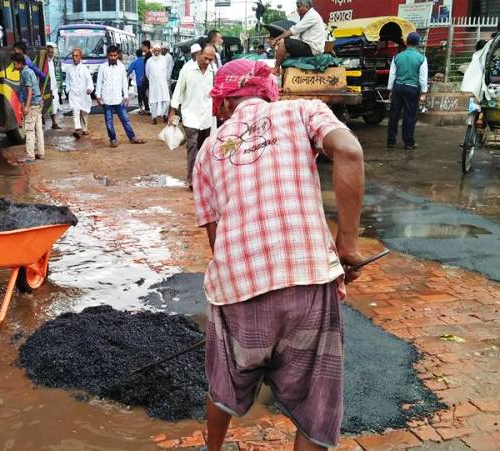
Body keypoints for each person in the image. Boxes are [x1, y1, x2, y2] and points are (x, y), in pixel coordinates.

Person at [192, 58, 365, 451]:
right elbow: (350, 152)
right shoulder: (303, 110)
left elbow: (216, 240)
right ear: (269, 93)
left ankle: (213, 449)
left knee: (223, 384)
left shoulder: (207, 151)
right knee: (314, 401)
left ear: (222, 105)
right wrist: (347, 245)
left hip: (238, 290)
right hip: (308, 280)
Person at [168, 44, 216, 189]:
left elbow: (216, 92)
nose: (207, 62)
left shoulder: (213, 71)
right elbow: (178, 91)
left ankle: (202, 178)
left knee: (204, 150)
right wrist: (172, 111)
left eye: (210, 59)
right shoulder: (187, 70)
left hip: (207, 117)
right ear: (199, 54)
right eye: (205, 58)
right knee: (193, 148)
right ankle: (192, 179)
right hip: (190, 116)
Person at [95, 45, 146, 148]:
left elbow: (124, 82)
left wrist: (126, 96)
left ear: (117, 55)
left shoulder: (121, 66)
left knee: (125, 120)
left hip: (118, 99)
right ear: (107, 56)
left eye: (115, 55)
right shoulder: (102, 67)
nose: (113, 57)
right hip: (106, 99)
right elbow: (99, 82)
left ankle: (132, 138)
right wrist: (98, 95)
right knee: (109, 121)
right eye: (111, 56)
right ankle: (113, 139)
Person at [387, 31, 428, 151]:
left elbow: (392, 75)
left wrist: (390, 90)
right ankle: (409, 143)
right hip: (412, 89)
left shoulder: (397, 57)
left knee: (394, 115)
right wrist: (424, 92)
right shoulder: (421, 58)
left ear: (406, 42)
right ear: (418, 44)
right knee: (409, 116)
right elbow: (422, 77)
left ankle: (391, 141)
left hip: (398, 87)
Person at [271, 0, 326, 75]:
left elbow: (293, 31)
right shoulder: (307, 16)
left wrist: (276, 39)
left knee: (283, 42)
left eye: (299, 7)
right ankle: (285, 73)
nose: (297, 9)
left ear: (306, 7)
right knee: (284, 48)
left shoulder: (311, 16)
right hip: (309, 46)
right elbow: (296, 35)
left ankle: (276, 68)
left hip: (313, 48)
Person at [14, 53, 44, 163]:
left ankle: (30, 155)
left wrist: (26, 107)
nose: (13, 66)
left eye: (14, 64)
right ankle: (40, 153)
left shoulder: (26, 73)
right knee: (38, 129)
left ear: (20, 63)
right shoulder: (29, 71)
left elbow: (29, 90)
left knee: (29, 130)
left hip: (32, 104)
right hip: (38, 103)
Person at [66, 47, 94, 140]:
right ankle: (77, 128)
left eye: (77, 56)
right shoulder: (69, 68)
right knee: (75, 110)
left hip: (83, 94)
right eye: (73, 56)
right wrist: (68, 89)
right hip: (73, 93)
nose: (74, 58)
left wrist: (90, 88)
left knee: (84, 112)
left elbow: (89, 81)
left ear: (80, 56)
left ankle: (84, 128)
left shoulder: (84, 69)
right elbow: (67, 80)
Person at [145, 43, 171, 125]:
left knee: (166, 100)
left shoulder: (164, 59)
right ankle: (154, 117)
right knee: (154, 101)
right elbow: (147, 73)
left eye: (158, 50)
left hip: (163, 83)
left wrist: (165, 79)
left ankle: (164, 115)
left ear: (160, 51)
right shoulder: (149, 61)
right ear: (152, 51)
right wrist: (153, 79)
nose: (156, 52)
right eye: (155, 50)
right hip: (153, 84)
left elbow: (168, 70)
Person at [46, 44, 61, 129]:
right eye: (49, 52)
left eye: (52, 52)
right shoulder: (45, 63)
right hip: (47, 87)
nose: (51, 54)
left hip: (53, 86)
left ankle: (54, 123)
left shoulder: (52, 61)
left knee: (54, 104)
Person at [139, 40, 152, 115]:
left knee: (142, 92)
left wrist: (145, 76)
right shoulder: (147, 54)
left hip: (148, 77)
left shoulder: (149, 55)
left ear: (146, 46)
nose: (141, 47)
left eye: (142, 46)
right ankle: (147, 108)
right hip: (146, 77)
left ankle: (148, 108)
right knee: (143, 92)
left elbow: (148, 67)